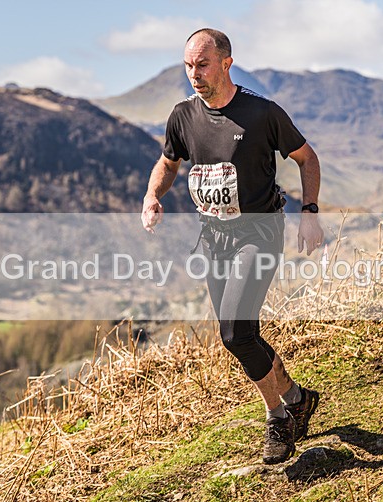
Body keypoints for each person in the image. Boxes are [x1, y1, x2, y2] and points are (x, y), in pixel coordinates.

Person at [140, 28, 324, 464]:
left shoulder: (262, 113)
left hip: (259, 232)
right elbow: (168, 163)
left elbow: (307, 158)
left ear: (226, 63)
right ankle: (297, 398)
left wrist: (310, 211)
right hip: (213, 239)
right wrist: (152, 196)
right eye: (188, 65)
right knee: (241, 336)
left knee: (235, 333)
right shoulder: (183, 116)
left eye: (202, 65)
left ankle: (278, 417)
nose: (194, 74)